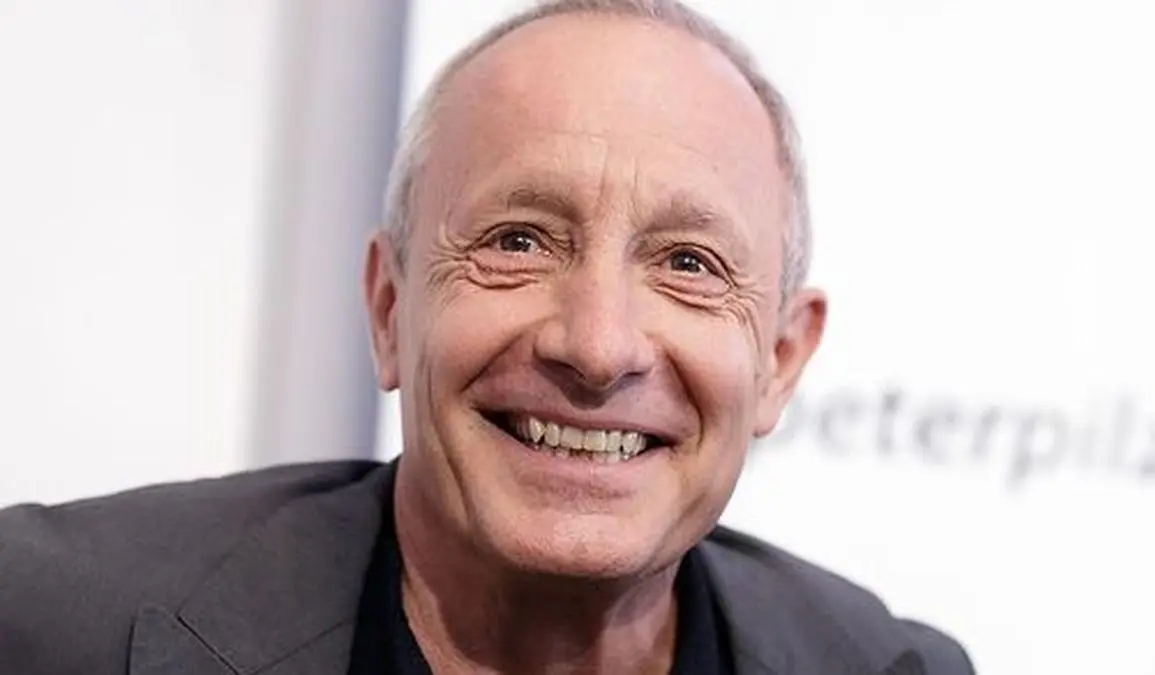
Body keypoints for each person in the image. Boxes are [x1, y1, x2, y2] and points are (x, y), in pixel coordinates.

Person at [0, 1, 974, 673]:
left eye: (689, 263)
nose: (598, 346)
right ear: (390, 308)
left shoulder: (897, 668)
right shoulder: (41, 626)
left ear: (781, 361)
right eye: (518, 242)